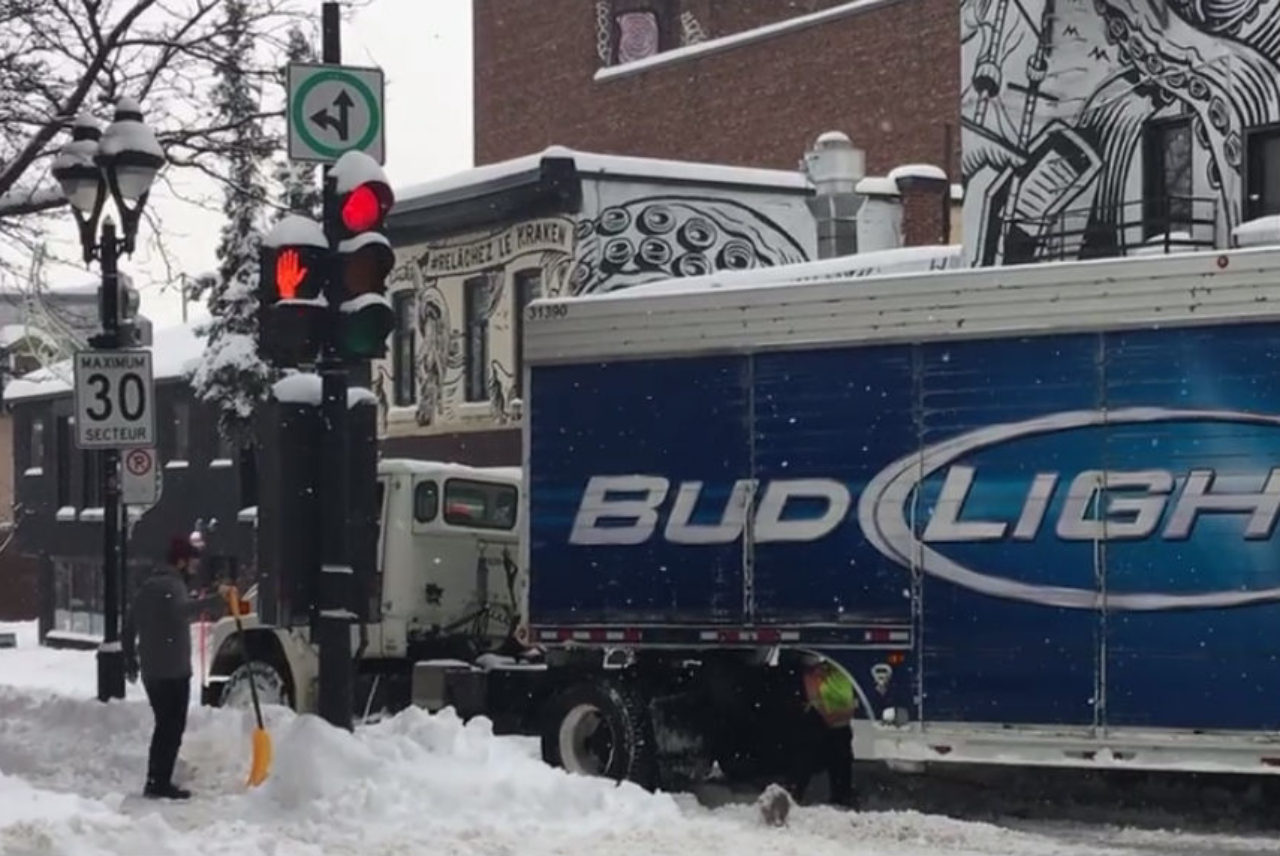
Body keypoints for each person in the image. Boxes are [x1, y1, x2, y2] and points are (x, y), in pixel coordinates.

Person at [122, 534, 231, 800]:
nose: (194, 567)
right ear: (181, 561)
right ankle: (158, 783)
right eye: (192, 561)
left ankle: (156, 778)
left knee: (164, 726)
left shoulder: (147, 585)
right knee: (171, 728)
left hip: (152, 670)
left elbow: (129, 624)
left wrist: (130, 659)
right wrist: (217, 599)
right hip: (173, 671)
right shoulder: (172, 585)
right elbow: (182, 611)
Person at [784, 656, 858, 808]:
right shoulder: (838, 673)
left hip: (821, 718)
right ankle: (841, 796)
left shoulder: (816, 673)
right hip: (830, 720)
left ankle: (795, 792)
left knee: (807, 755)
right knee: (836, 755)